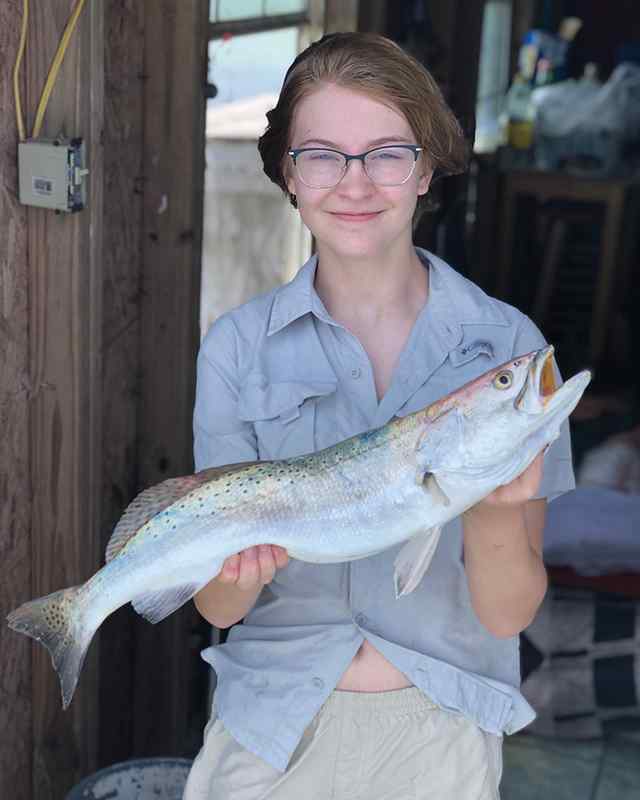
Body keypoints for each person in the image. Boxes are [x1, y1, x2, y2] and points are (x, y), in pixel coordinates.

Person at [184, 32, 575, 800]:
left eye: (388, 153)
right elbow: (216, 604)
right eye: (322, 154)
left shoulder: (509, 352)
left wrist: (496, 511)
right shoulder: (235, 349)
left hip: (443, 737)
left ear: (426, 168)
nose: (354, 183)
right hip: (269, 730)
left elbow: (508, 616)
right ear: (288, 176)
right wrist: (234, 571)